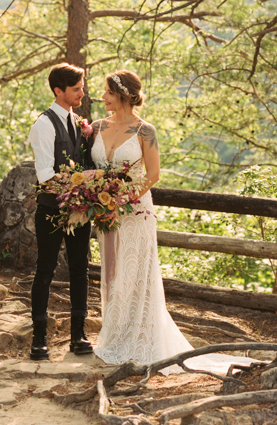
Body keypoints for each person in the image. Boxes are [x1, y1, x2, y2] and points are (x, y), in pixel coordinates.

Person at [90, 70, 256, 373]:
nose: (102, 97)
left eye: (108, 93)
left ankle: (138, 338)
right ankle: (113, 335)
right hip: (105, 213)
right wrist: (98, 198)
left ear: (124, 96)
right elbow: (92, 168)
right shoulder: (97, 127)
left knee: (134, 274)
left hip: (135, 212)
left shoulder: (145, 130)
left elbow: (153, 175)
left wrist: (122, 200)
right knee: (112, 272)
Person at [28, 63, 94, 361]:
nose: (82, 93)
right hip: (51, 210)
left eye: (82, 87)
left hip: (79, 210)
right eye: (76, 89)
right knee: (45, 271)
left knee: (81, 269)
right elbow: (44, 174)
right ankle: (39, 339)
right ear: (59, 91)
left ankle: (78, 335)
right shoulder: (43, 124)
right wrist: (82, 183)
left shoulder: (78, 122)